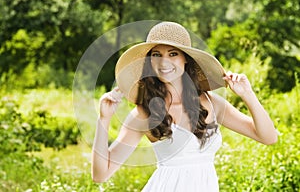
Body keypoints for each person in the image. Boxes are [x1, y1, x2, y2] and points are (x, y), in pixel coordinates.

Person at [91, 21, 278, 191]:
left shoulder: (211, 103)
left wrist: (248, 95)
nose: (164, 62)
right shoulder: (144, 113)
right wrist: (104, 119)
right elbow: (101, 175)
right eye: (157, 55)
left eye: (173, 54)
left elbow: (268, 137)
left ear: (185, 58)